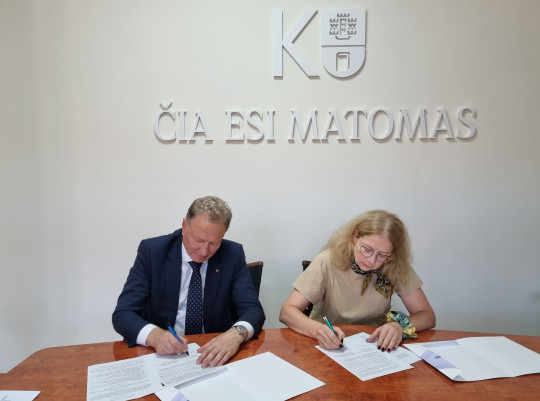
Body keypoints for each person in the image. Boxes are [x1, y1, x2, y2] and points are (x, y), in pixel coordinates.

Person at [112, 196, 265, 368]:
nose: (204, 251)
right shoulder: (152, 252)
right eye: (198, 240)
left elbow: (253, 309)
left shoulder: (233, 253)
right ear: (184, 226)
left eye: (214, 243)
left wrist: (236, 335)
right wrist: (155, 336)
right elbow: (123, 313)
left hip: (213, 354)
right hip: (163, 356)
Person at [280, 210, 435, 352]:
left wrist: (399, 326)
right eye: (367, 249)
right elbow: (287, 312)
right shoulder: (327, 260)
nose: (371, 260)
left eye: (382, 255)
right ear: (355, 237)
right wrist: (318, 331)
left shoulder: (394, 265)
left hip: (374, 345)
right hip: (331, 343)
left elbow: (427, 316)